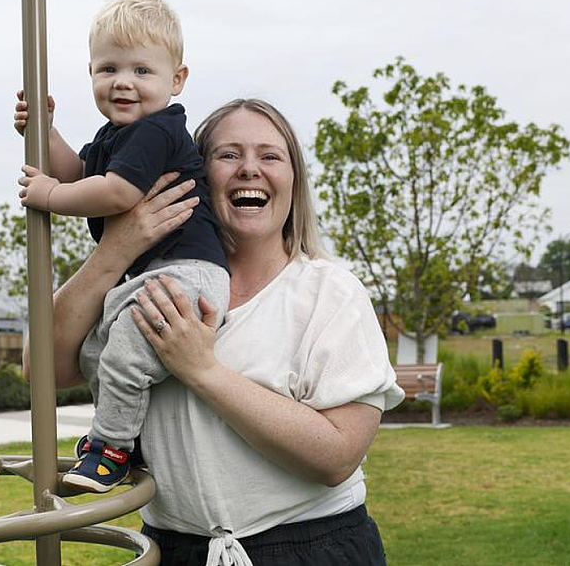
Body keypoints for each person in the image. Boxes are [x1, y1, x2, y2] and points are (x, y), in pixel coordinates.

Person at [24, 99, 405, 566]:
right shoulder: (148, 286)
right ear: (197, 176)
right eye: (228, 155)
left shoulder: (329, 293)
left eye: (270, 156)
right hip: (175, 550)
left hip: (309, 549)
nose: (249, 169)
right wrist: (114, 251)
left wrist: (202, 369)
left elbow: (338, 456)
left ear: (293, 180)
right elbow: (41, 367)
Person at [14, 0, 229, 493]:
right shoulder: (118, 134)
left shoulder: (157, 131)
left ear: (177, 80)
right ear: (90, 72)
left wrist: (49, 194)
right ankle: (121, 439)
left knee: (129, 346)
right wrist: (46, 132)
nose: (123, 82)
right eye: (108, 69)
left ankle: (109, 444)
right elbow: (80, 169)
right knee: (97, 350)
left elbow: (116, 192)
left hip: (187, 271)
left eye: (141, 71)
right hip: (152, 271)